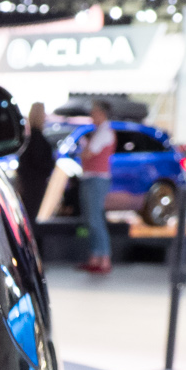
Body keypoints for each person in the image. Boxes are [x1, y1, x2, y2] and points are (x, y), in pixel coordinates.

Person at [77, 99, 115, 274]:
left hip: (96, 179)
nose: (92, 116)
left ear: (102, 113)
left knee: (95, 219)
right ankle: (96, 257)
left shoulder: (104, 133)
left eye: (94, 112)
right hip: (92, 178)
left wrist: (84, 150)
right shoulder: (100, 132)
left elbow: (88, 153)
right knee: (91, 219)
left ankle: (103, 258)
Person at [16, 100, 57, 223]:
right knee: (32, 215)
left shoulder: (28, 137)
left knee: (28, 214)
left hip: (29, 181)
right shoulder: (37, 138)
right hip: (35, 183)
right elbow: (39, 161)